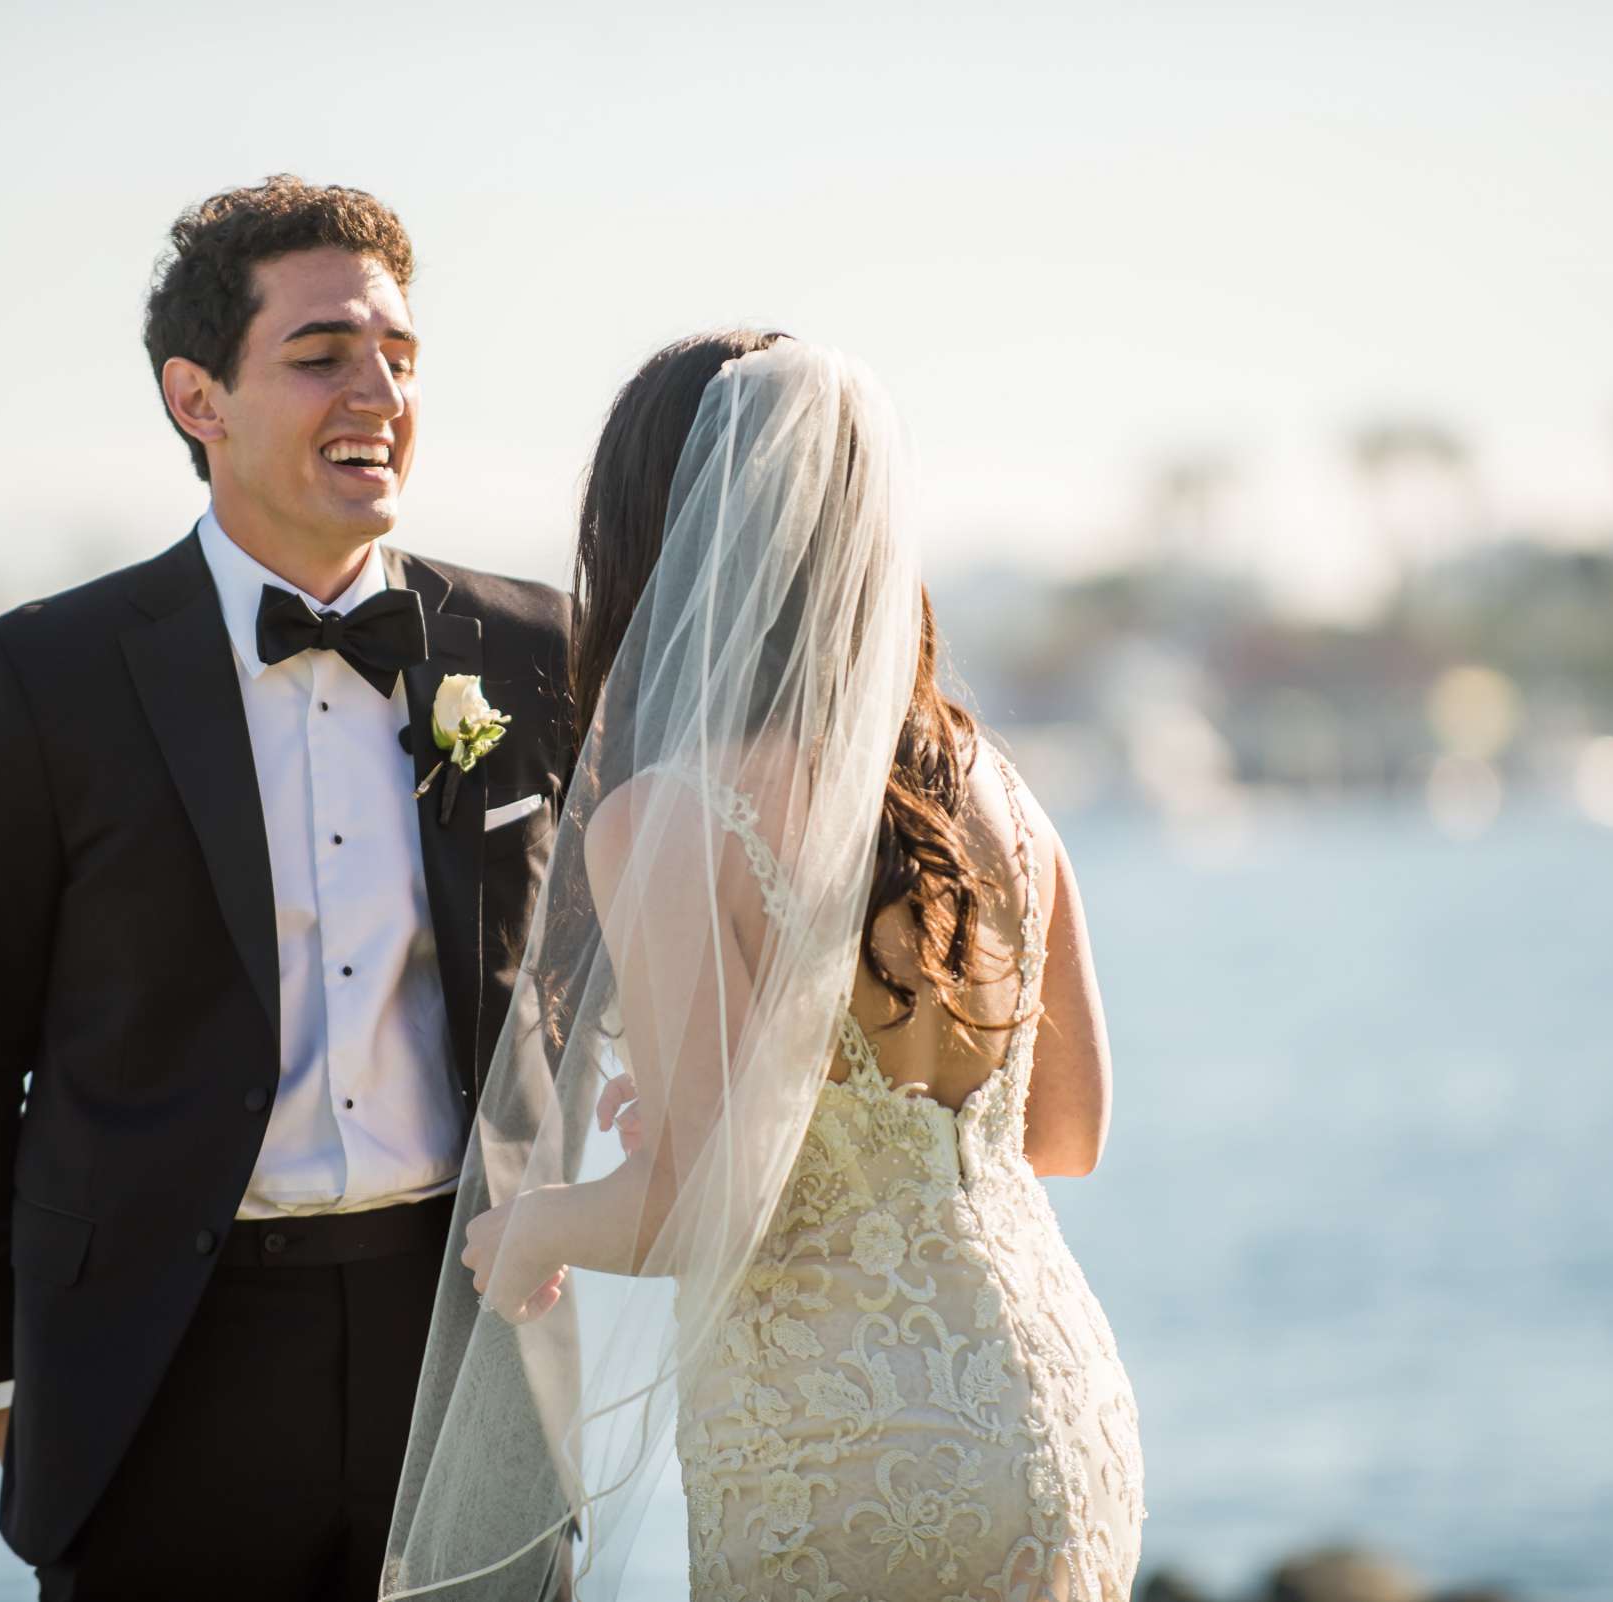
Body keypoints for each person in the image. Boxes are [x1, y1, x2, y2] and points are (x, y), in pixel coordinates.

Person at [0, 174, 576, 1601]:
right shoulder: (38, 682)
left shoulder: (532, 645)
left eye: (400, 355)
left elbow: (587, 966)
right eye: (322, 355)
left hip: (464, 1345)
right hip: (157, 1364)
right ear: (198, 399)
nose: (377, 389)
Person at [382, 334, 1146, 1600]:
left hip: (846, 1444)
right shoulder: (997, 796)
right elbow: (1066, 1135)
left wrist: (536, 1229)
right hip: (1056, 1408)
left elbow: (705, 1205)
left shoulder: (671, 818)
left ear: (661, 544)